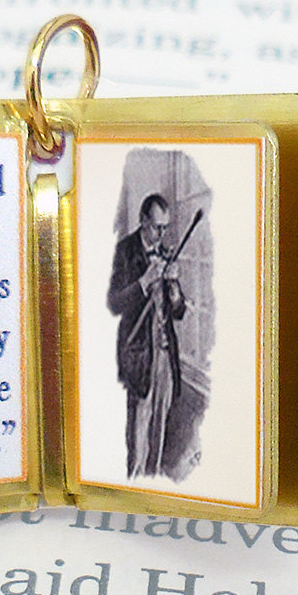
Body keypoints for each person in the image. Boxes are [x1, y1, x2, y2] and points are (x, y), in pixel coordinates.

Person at [107, 192, 187, 477]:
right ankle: (135, 482)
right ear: (143, 221)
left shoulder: (165, 253)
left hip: (165, 355)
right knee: (139, 431)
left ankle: (152, 484)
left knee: (159, 427)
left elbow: (178, 311)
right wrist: (144, 281)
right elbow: (114, 303)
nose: (161, 234)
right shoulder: (125, 251)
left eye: (165, 228)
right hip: (141, 355)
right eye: (156, 227)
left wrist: (174, 288)